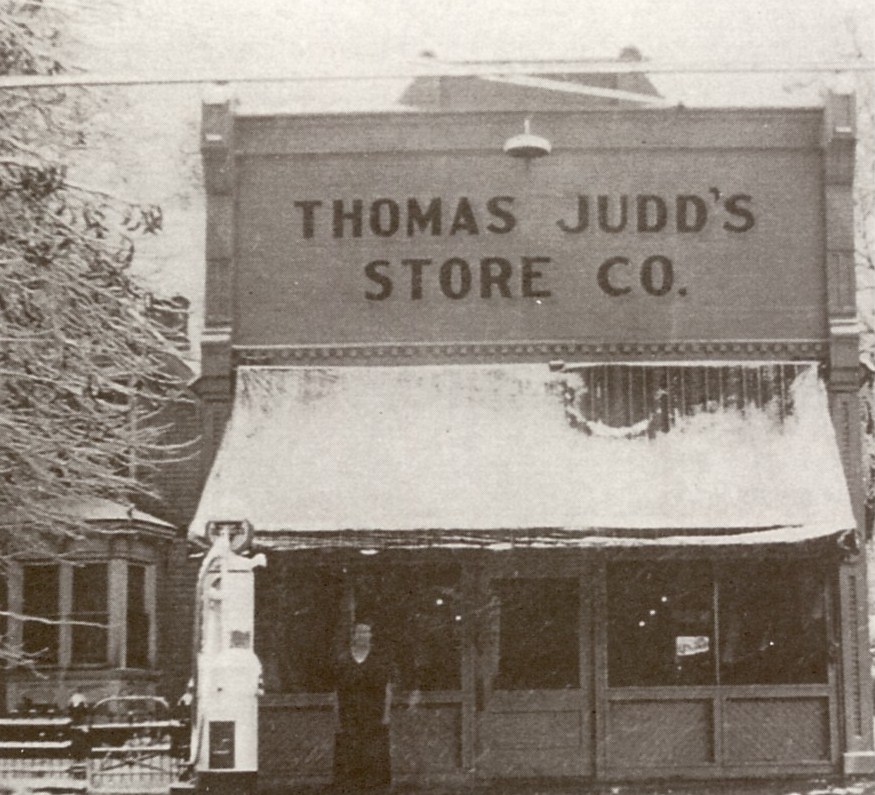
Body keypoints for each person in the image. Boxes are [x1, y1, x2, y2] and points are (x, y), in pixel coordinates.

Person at [332, 622, 393, 792]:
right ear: (353, 636)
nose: (363, 635)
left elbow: (387, 688)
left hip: (373, 713)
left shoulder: (379, 660)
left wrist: (386, 715)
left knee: (373, 753)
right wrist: (337, 716)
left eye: (367, 632)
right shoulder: (343, 660)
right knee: (349, 752)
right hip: (349, 713)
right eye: (359, 632)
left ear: (371, 635)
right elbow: (337, 691)